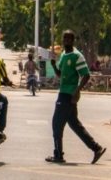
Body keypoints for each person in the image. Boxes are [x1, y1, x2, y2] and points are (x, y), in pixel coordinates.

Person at [45, 30, 106, 164]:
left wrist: (77, 91)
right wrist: (54, 66)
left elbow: (86, 74)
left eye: (69, 38)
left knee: (56, 124)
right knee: (75, 125)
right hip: (63, 92)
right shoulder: (64, 55)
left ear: (73, 40)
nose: (66, 41)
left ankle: (58, 155)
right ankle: (96, 148)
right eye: (64, 38)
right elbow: (60, 75)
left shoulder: (77, 56)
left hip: (68, 95)